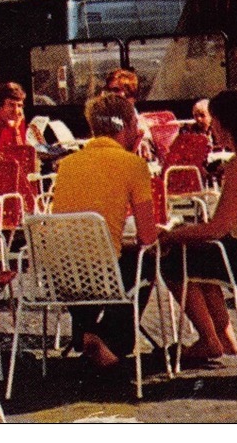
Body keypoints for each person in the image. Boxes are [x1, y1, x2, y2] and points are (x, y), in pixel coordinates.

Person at [158, 90, 237, 362]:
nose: (213, 129)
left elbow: (219, 227)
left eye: (215, 122)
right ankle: (225, 338)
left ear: (226, 124)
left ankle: (209, 340)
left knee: (171, 261)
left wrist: (172, 235)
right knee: (196, 260)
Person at [49, 92, 158, 369]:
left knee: (88, 257)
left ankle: (86, 332)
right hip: (105, 274)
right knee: (148, 258)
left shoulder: (68, 164)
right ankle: (112, 341)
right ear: (129, 125)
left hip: (63, 276)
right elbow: (148, 236)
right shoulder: (133, 165)